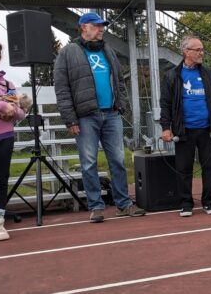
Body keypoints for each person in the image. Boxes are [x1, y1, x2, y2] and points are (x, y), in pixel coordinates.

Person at [54, 12, 145, 223]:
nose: (102, 29)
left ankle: (123, 204)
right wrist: (70, 120)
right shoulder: (68, 52)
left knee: (118, 161)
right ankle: (96, 206)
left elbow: (120, 82)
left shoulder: (108, 50)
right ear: (84, 27)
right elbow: (62, 89)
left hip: (111, 114)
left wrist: (120, 106)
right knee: (88, 163)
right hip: (86, 117)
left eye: (102, 26)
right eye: (97, 26)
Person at [160, 35, 211, 217]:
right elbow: (165, 103)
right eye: (198, 50)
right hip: (184, 130)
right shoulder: (172, 75)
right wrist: (166, 127)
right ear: (186, 51)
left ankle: (208, 201)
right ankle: (186, 203)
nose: (201, 53)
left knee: (210, 166)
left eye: (202, 49)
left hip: (207, 129)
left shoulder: (207, 74)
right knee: (184, 167)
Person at [0, 35, 26, 241]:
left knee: (1, 180)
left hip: (5, 137)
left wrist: (12, 110)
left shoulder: (8, 83)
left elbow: (21, 113)